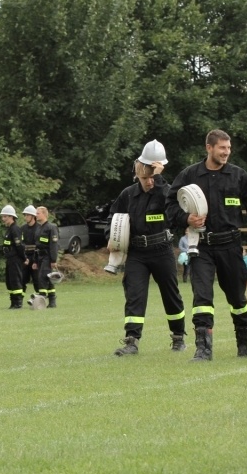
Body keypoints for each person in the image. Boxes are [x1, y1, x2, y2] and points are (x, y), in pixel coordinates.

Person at [165, 130, 247, 361]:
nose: (226, 152)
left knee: (238, 299)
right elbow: (170, 206)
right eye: (222, 148)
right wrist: (186, 219)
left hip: (230, 246)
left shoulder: (238, 176)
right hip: (201, 247)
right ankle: (203, 348)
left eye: (228, 148)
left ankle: (243, 341)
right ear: (209, 148)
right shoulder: (189, 175)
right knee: (201, 297)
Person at [110, 139, 186, 356]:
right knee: (134, 295)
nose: (150, 182)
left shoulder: (166, 191)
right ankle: (131, 341)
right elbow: (113, 218)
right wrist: (110, 238)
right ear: (138, 176)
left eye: (153, 177)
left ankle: (178, 337)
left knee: (171, 295)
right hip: (137, 253)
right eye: (145, 178)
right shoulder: (127, 195)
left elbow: (173, 202)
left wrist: (159, 177)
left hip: (162, 249)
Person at [0, 205, 27, 309]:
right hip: (10, 259)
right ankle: (13, 302)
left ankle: (18, 302)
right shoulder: (9, 229)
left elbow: (19, 246)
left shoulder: (15, 229)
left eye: (5, 217)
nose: (3, 219)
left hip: (15, 259)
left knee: (15, 280)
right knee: (10, 281)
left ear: (11, 217)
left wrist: (24, 258)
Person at [34, 206, 59, 308]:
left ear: (44, 214)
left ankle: (42, 299)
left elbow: (54, 245)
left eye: (38, 213)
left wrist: (53, 259)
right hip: (40, 256)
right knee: (48, 278)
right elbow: (37, 245)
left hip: (48, 256)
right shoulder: (39, 228)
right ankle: (52, 302)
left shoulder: (51, 227)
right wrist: (35, 261)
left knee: (42, 277)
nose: (36, 215)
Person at [20, 205, 40, 297]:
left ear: (33, 216)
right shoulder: (23, 229)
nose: (25, 217)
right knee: (22, 279)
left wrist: (35, 260)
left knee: (37, 279)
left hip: (36, 257)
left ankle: (40, 298)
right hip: (25, 258)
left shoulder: (39, 228)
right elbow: (21, 243)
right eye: (25, 215)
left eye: (27, 215)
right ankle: (19, 300)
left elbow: (39, 245)